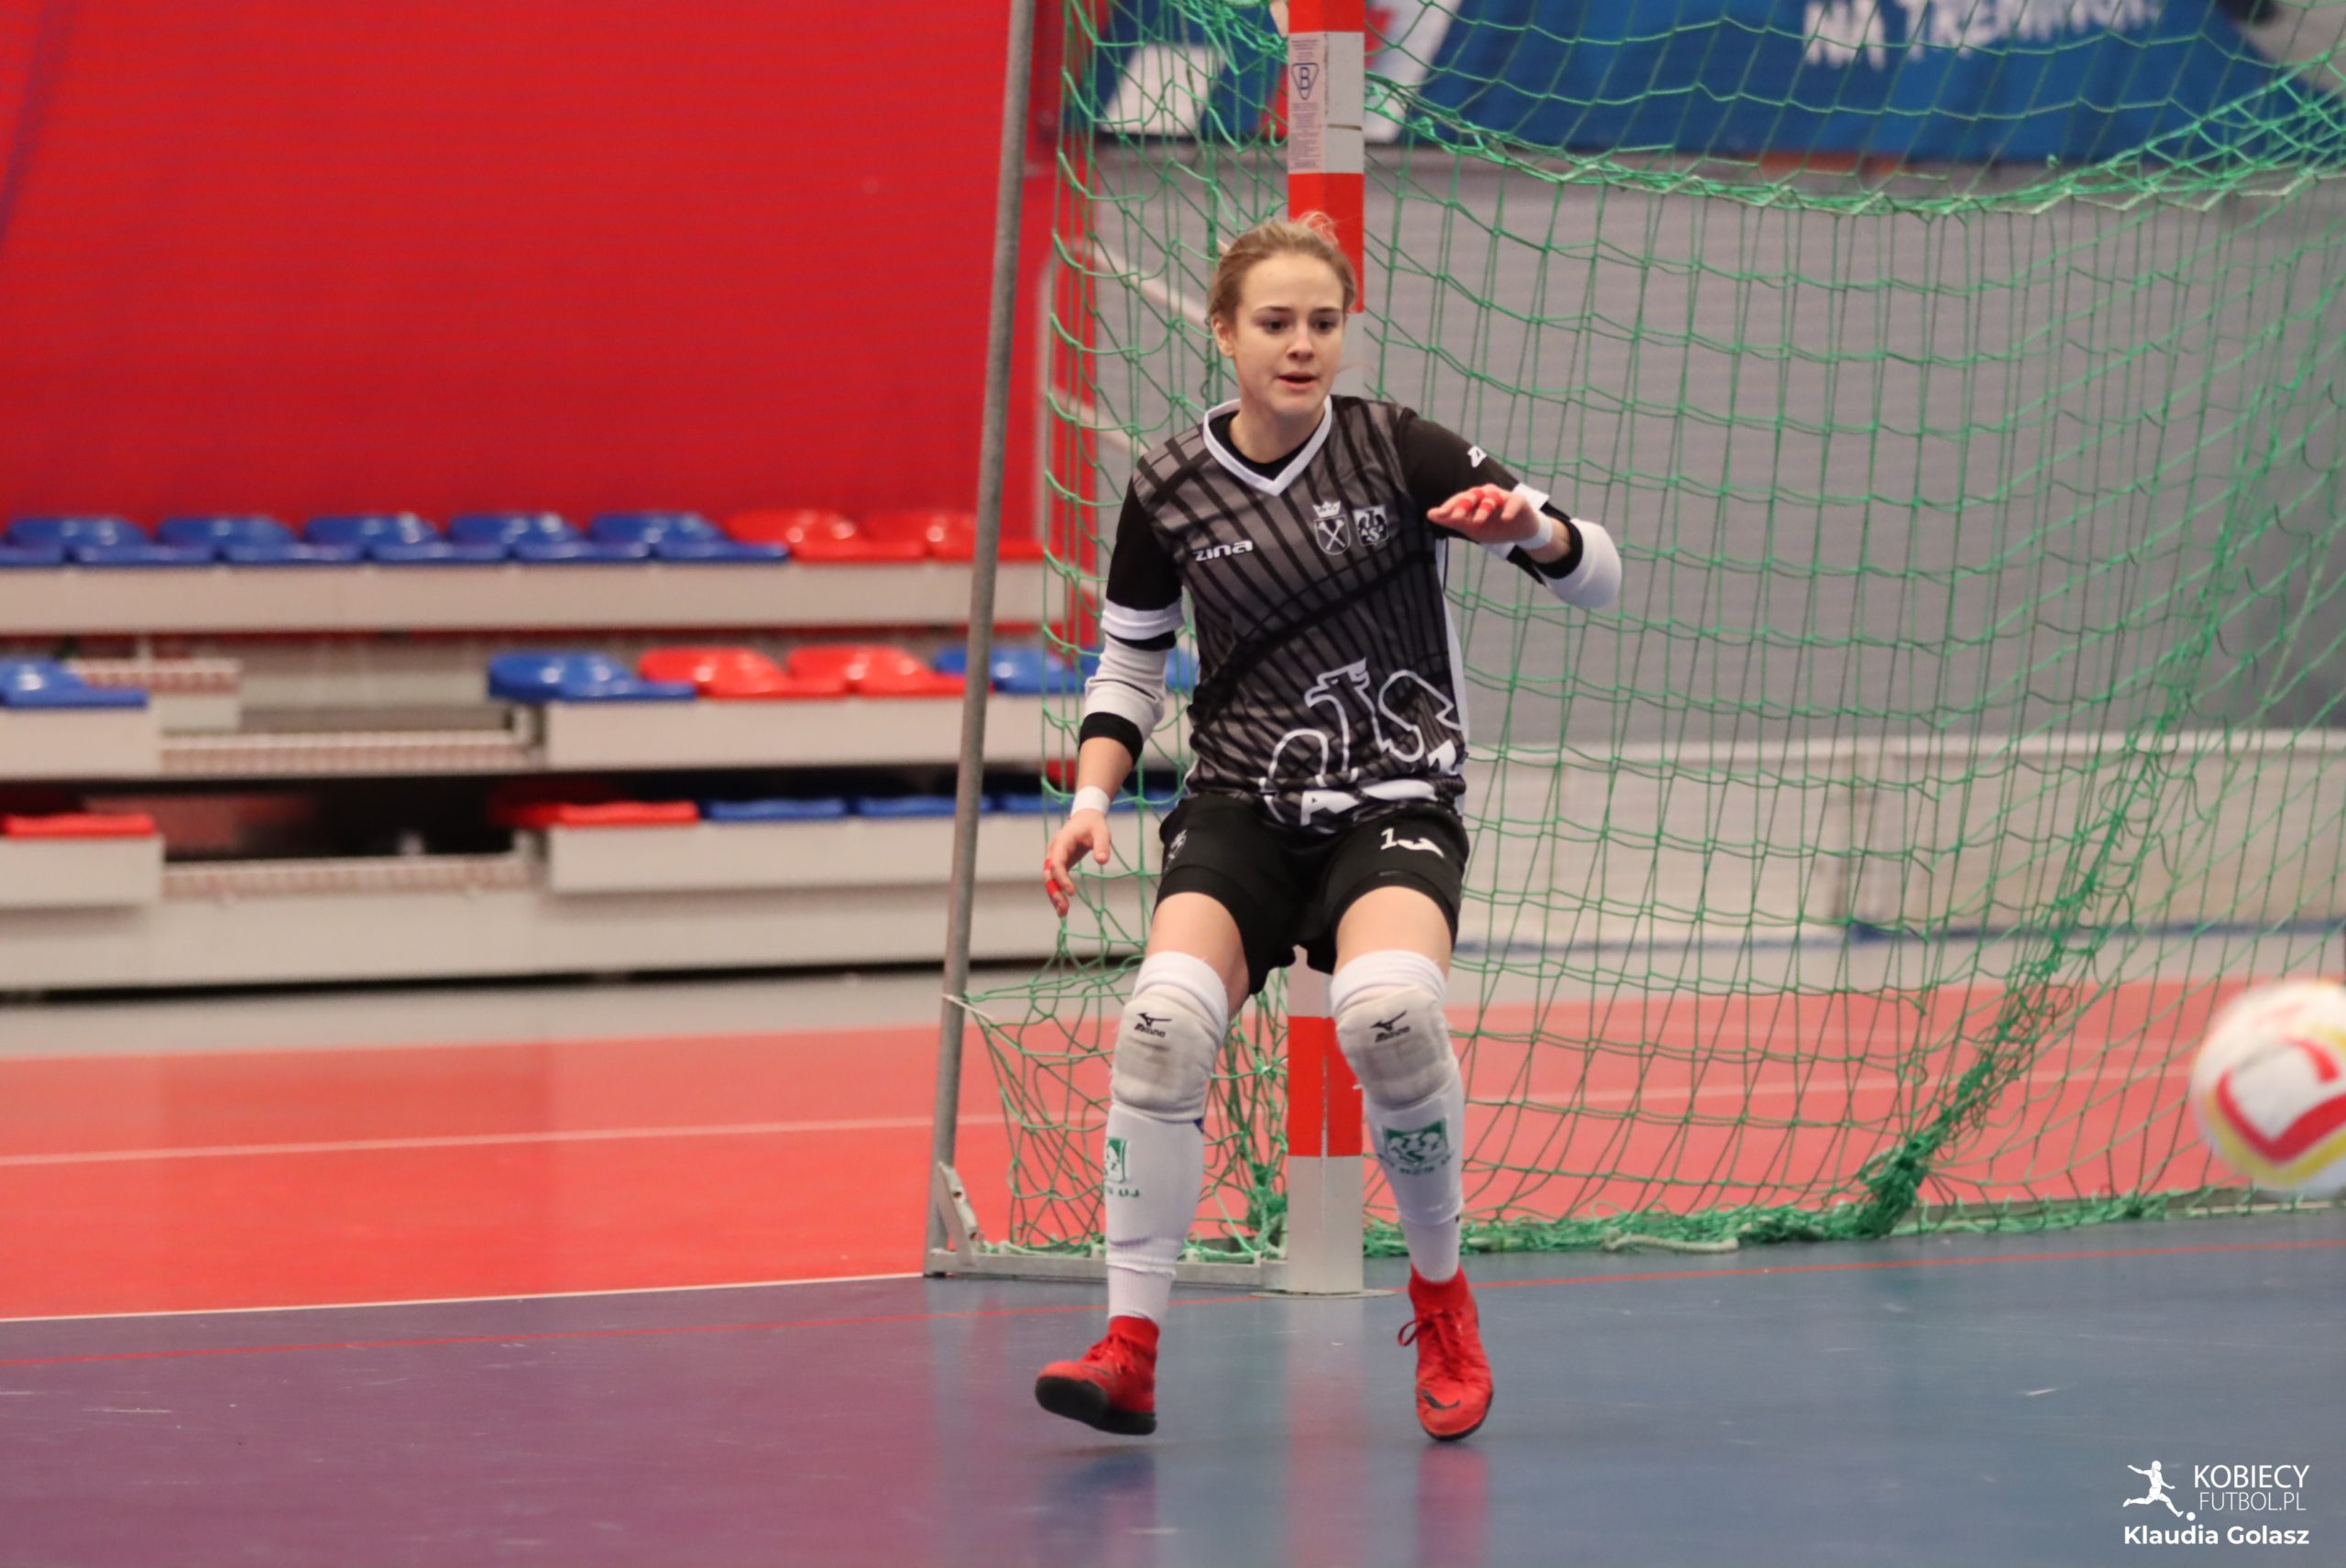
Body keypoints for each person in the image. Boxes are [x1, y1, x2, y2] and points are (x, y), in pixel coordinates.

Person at [1032, 215, 1622, 1442]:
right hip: (1241, 805)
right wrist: (1091, 799)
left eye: (1323, 322)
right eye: (1275, 323)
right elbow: (1129, 666)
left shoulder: (1398, 447)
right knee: (1158, 1031)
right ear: (1223, 331)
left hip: (1394, 800)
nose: (1302, 345)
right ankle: (1129, 1349)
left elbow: (1597, 571)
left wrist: (1534, 533)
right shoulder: (1168, 484)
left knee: (1388, 1016)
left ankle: (1442, 1302)